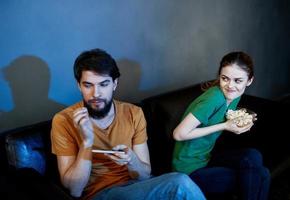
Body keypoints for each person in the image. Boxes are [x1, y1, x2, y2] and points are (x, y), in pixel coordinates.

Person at [51, 48, 205, 200]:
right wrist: (86, 143)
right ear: (79, 85)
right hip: (101, 194)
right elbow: (75, 190)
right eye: (88, 85)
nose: (96, 93)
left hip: (136, 188)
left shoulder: (133, 113)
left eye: (103, 84)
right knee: (180, 183)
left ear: (114, 84)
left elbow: (144, 176)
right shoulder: (63, 120)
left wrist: (132, 160)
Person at [172, 51, 270, 200]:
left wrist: (244, 117)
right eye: (225, 78)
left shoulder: (233, 95)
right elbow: (178, 134)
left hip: (206, 157)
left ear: (249, 81)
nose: (230, 86)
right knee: (258, 177)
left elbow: (223, 114)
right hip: (188, 168)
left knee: (255, 159)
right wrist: (225, 126)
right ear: (220, 76)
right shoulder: (215, 98)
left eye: (238, 80)